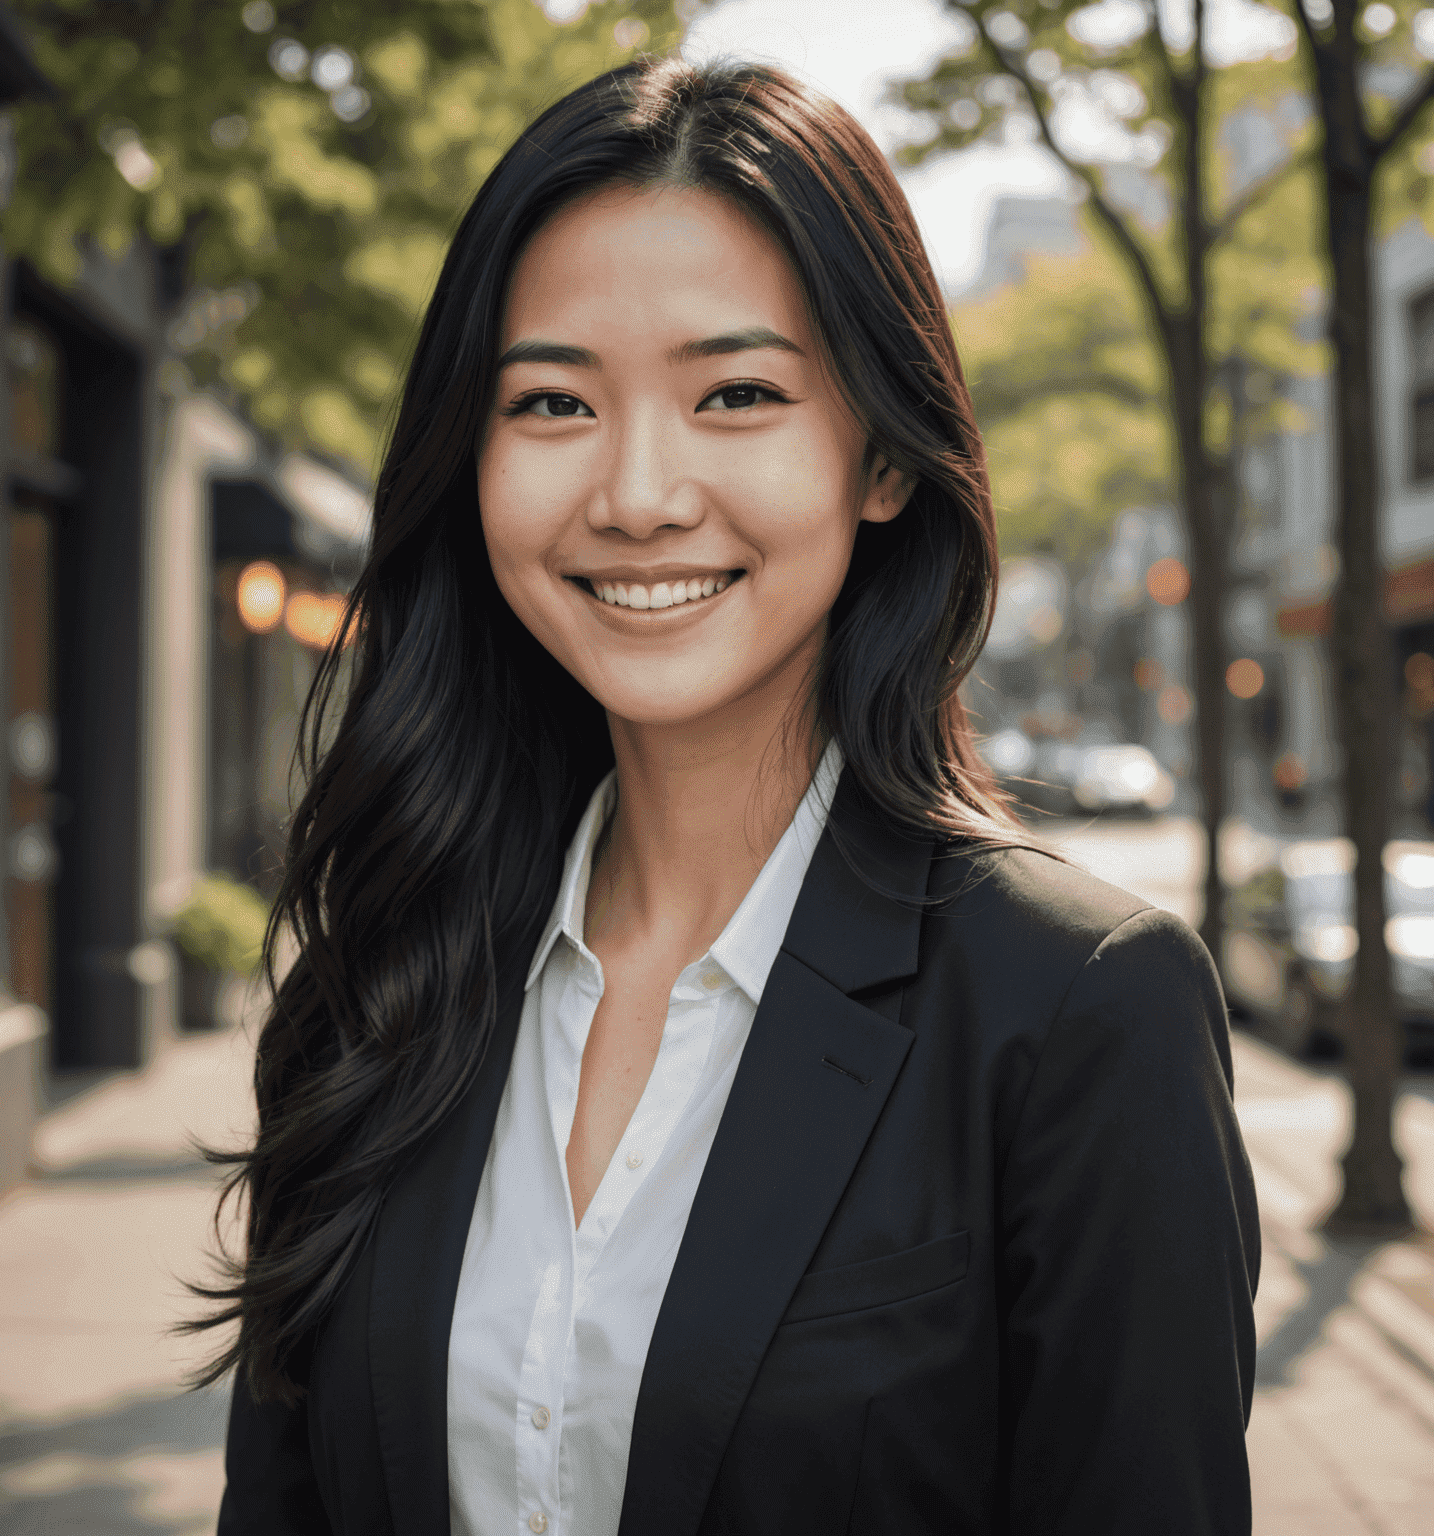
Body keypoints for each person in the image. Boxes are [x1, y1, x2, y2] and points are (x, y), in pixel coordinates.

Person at [201, 56, 1260, 1536]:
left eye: (737, 393)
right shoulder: (378, 988)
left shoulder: (1078, 1011)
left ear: (884, 453)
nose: (638, 493)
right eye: (554, 400)